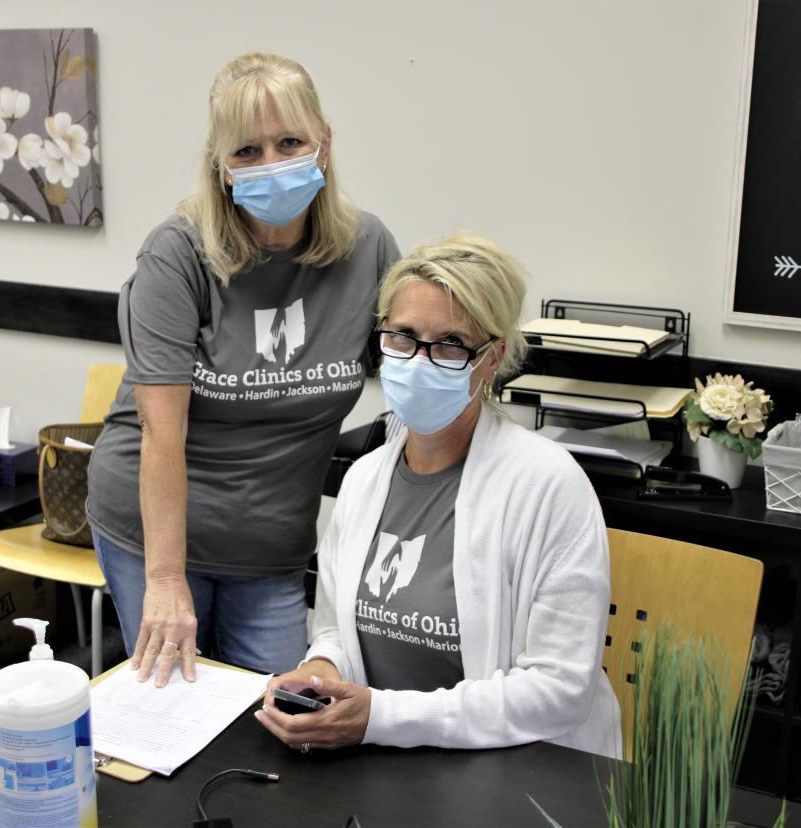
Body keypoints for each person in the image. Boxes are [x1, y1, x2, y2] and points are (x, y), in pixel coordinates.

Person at [87, 52, 399, 685]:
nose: (272, 163)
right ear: (220, 165)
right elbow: (160, 432)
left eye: (290, 142)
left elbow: (409, 371)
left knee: (281, 716)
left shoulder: (368, 249)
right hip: (158, 535)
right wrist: (166, 580)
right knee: (174, 714)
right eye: (247, 151)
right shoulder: (178, 254)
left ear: (325, 145)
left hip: (274, 545)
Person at [255, 233, 621, 758]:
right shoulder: (363, 481)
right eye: (402, 336)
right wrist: (320, 673)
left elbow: (557, 692)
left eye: (450, 344)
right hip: (384, 759)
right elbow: (337, 632)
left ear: (491, 360)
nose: (419, 360)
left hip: (517, 766)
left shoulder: (548, 486)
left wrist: (384, 718)